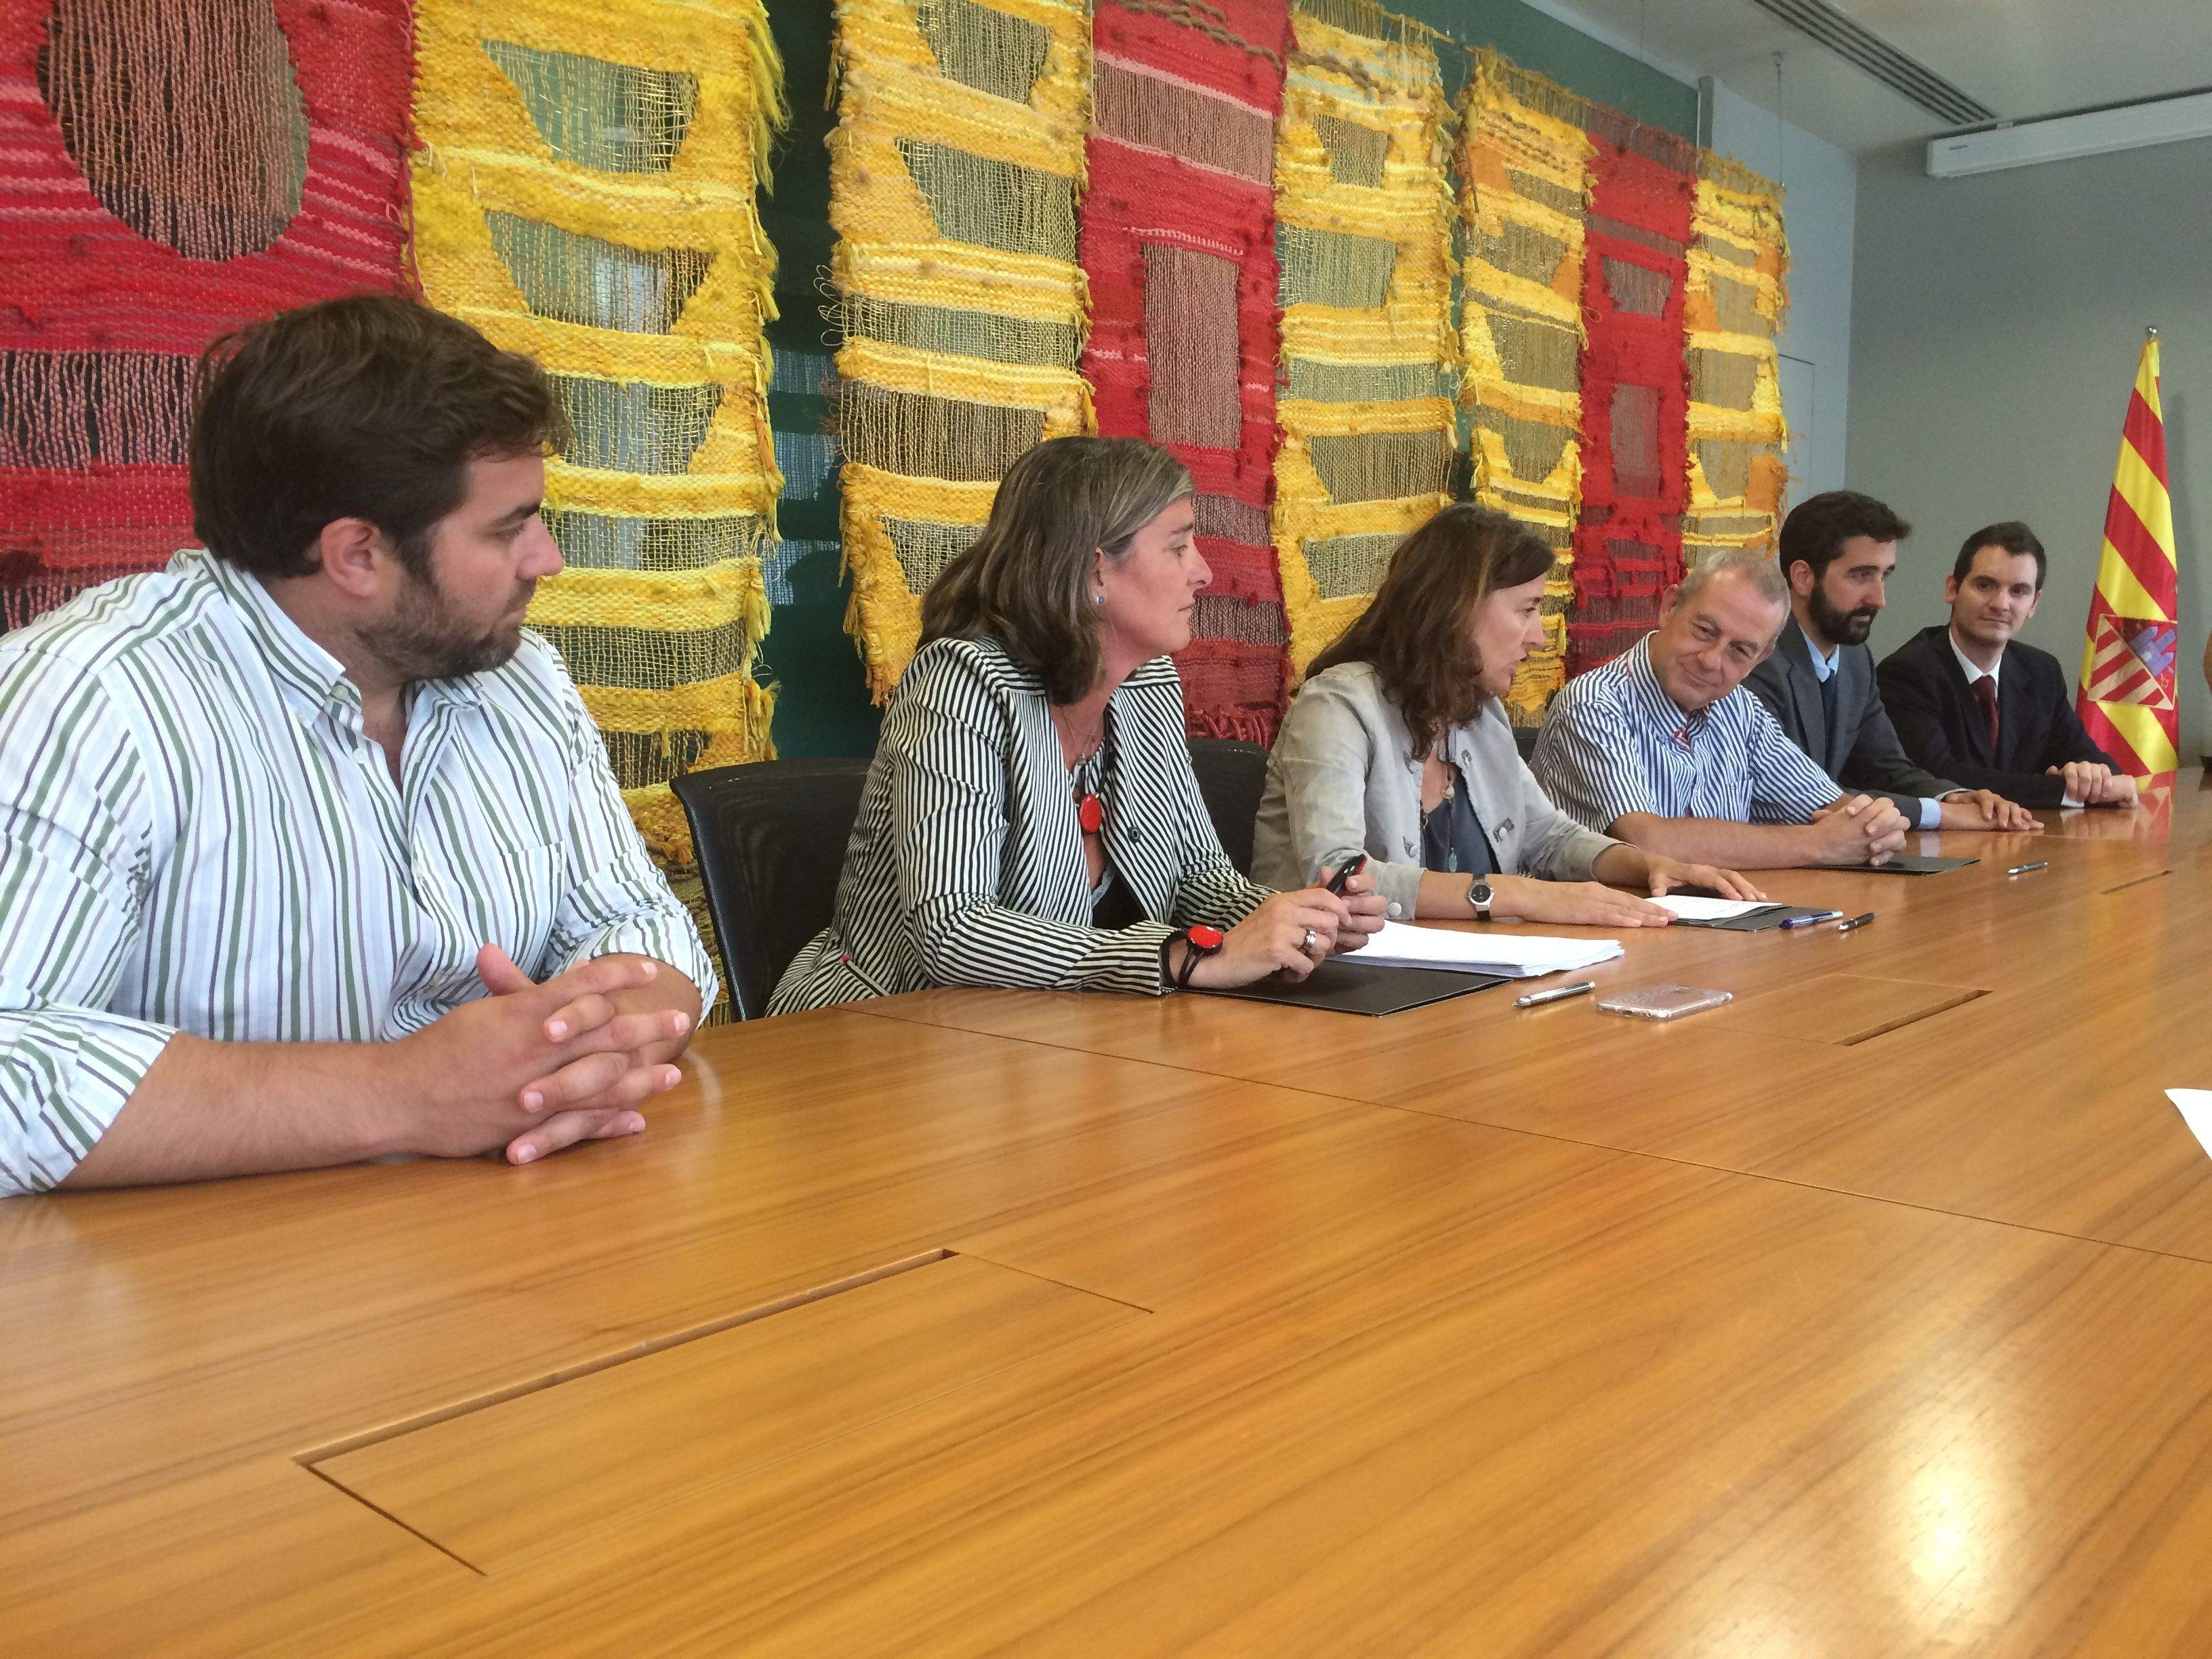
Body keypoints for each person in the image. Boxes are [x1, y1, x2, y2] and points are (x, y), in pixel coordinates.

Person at [0, 295, 718, 1197]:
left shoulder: (519, 677)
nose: (547, 560)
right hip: (203, 1266)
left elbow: (640, 924)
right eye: (508, 528)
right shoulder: (86, 701)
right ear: (357, 557)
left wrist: (583, 1052)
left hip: (509, 1226)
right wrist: (407, 1092)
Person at [770, 436, 1383, 1013]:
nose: (1203, 572)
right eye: (1177, 547)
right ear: (1096, 571)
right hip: (885, 1029)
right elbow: (952, 931)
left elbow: (1198, 878)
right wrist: (1181, 957)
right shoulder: (961, 682)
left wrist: (1296, 921)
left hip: (1048, 1038)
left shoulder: (1147, 682)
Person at [1252, 504, 1761, 927]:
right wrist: (1519, 895)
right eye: (1526, 609)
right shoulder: (1337, 705)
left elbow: (1550, 837)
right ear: (1457, 607)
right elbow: (1340, 876)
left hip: (1452, 983)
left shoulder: (1477, 714)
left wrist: (1651, 866)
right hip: (1330, 990)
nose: (1537, 636)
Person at [1531, 548, 1911, 868]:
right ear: (1670, 607)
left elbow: (1835, 808)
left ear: (1760, 659)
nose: (1712, 661)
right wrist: (1820, 844)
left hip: (1719, 921)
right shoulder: (1593, 703)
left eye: (1740, 650)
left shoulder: (1741, 709)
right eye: (1705, 631)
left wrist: (1875, 827)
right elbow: (1649, 842)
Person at [1746, 491, 2039, 833]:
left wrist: (1956, 797)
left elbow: (1888, 769)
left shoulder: (1855, 659)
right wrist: (1941, 815)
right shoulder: (1756, 660)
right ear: (1803, 577)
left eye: (1884, 576)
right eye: (1861, 575)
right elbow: (1802, 796)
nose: (1879, 599)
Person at [1878, 521, 2137, 809]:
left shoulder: (2041, 671)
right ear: (1953, 589)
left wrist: (2094, 776)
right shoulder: (1907, 673)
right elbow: (1941, 776)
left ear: (2034, 604)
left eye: (2019, 591)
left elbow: (2086, 755)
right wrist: (2065, 790)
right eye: (1985, 585)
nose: (2001, 604)